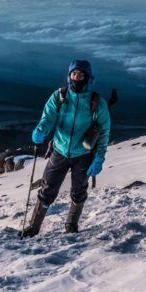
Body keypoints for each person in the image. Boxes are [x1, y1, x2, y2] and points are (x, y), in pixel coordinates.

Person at [22, 60, 110, 237]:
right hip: (60, 151)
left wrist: (99, 157)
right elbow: (48, 117)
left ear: (88, 77)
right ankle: (33, 226)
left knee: (78, 191)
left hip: (84, 155)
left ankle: (71, 224)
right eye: (74, 74)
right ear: (69, 76)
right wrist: (41, 130)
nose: (77, 78)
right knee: (47, 190)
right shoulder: (60, 96)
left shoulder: (96, 102)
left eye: (81, 75)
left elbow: (104, 132)